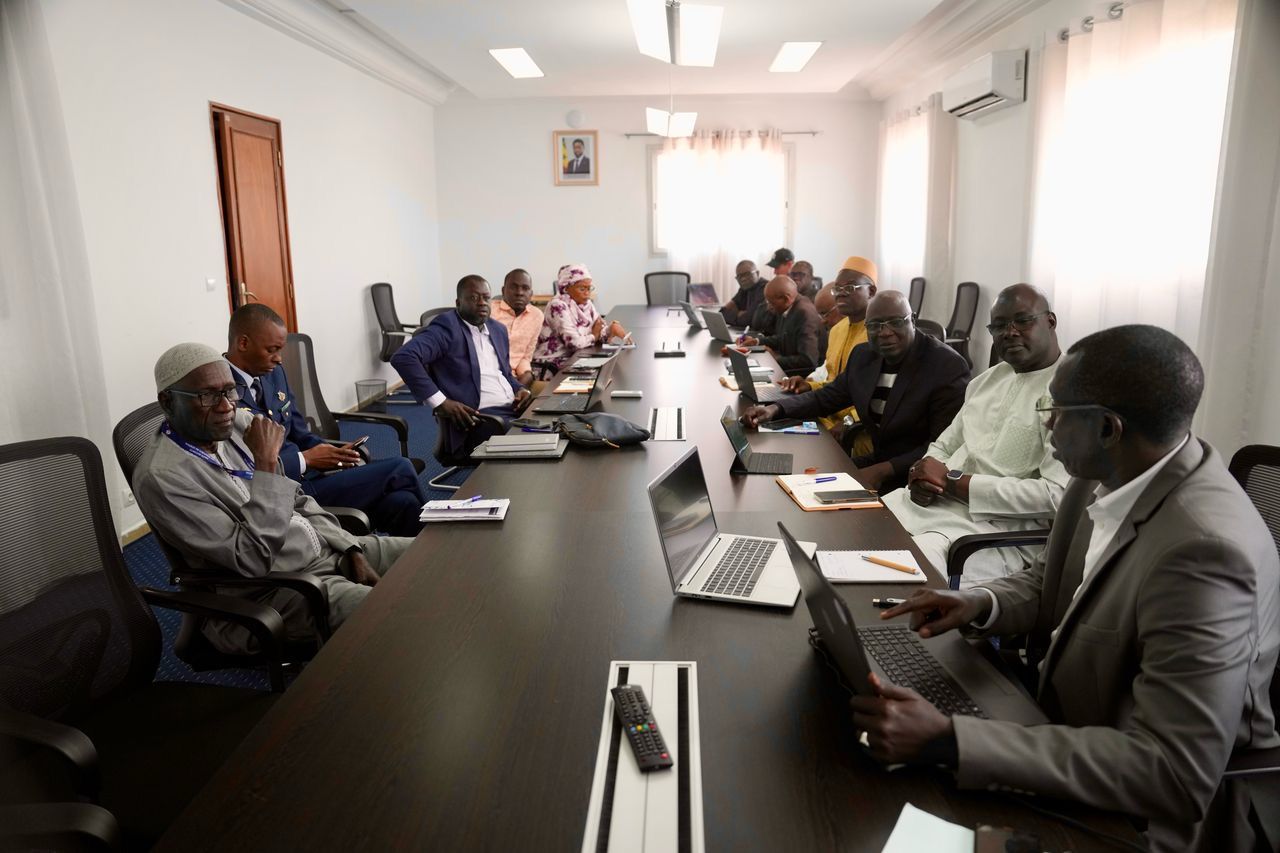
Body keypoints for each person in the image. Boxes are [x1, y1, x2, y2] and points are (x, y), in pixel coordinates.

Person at [851, 325, 1280, 853]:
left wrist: (950, 739)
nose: (1048, 425)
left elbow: (1172, 771)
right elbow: (1059, 578)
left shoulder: (1204, 552)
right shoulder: (1104, 475)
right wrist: (979, 602)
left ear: (1107, 428)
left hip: (1152, 820)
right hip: (1061, 726)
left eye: (1055, 411)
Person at [132, 343, 413, 655]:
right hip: (274, 591)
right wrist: (265, 466)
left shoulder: (237, 427)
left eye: (229, 391)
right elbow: (252, 559)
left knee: (430, 557)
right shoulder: (164, 478)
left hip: (325, 552)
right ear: (167, 402)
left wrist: (349, 547)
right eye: (208, 395)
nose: (226, 406)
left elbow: (297, 496)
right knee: (400, 615)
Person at [880, 283, 1068, 584]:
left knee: (889, 575)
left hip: (989, 534)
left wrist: (955, 483)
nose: (1010, 332)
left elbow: (1055, 496)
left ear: (1051, 321)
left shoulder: (1070, 394)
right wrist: (922, 475)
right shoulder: (985, 381)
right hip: (927, 506)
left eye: (1022, 320)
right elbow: (943, 446)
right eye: (999, 326)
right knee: (848, 530)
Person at [225, 304, 427, 537]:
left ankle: (422, 566)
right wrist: (305, 460)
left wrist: (330, 452)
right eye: (272, 350)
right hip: (287, 491)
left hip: (316, 477)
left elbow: (299, 433)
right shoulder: (221, 392)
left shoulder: (273, 375)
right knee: (401, 467)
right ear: (243, 343)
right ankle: (444, 540)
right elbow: (241, 464)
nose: (279, 359)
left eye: (280, 350)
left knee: (403, 502)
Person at [742, 291, 969, 492]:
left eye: (895, 322)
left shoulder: (946, 366)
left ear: (913, 320)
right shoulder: (864, 355)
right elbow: (827, 397)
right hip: (878, 463)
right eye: (875, 325)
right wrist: (775, 408)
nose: (885, 332)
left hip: (918, 478)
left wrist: (883, 471)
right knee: (792, 482)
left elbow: (942, 446)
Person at [392, 275, 531, 456]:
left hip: (513, 409)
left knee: (557, 423)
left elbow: (504, 374)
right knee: (533, 440)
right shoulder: (447, 327)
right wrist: (441, 403)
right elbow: (403, 357)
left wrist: (520, 389)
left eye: (486, 297)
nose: (482, 303)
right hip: (479, 418)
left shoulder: (498, 330)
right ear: (458, 303)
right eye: (473, 298)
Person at [779, 256, 878, 435]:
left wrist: (849, 423)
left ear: (870, 291)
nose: (841, 293)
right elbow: (834, 383)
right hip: (825, 415)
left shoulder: (878, 336)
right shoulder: (836, 330)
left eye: (849, 288)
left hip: (858, 431)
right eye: (837, 289)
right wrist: (810, 386)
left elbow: (879, 397)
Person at [531, 264, 628, 374]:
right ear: (566, 288)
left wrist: (610, 329)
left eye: (589, 288)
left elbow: (599, 328)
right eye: (582, 288)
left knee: (608, 372)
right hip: (552, 366)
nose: (587, 293)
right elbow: (574, 343)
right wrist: (594, 336)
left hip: (576, 359)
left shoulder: (586, 304)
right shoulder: (557, 306)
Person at [738, 276, 823, 372]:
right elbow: (783, 338)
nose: (768, 308)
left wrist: (775, 358)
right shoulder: (788, 307)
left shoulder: (804, 313)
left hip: (802, 376)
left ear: (786, 299)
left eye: (771, 303)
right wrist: (757, 341)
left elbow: (809, 360)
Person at [492, 268, 543, 387]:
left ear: (531, 294)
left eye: (525, 288)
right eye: (514, 287)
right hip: (490, 378)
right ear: (503, 290)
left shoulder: (536, 315)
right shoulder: (489, 311)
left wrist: (527, 374)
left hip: (515, 379)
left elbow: (526, 356)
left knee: (551, 397)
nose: (519, 292)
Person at [720, 259, 767, 327]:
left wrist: (736, 315)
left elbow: (748, 320)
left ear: (757, 273)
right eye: (739, 276)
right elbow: (722, 313)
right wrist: (739, 315)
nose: (743, 279)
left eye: (747, 274)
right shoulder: (744, 289)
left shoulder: (765, 288)